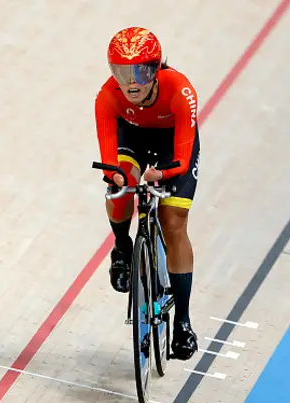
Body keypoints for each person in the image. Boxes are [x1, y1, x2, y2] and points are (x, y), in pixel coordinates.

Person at [94, 26, 200, 361]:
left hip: (173, 147)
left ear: (155, 70)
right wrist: (117, 176)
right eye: (122, 72)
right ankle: (123, 247)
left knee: (173, 222)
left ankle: (182, 323)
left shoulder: (180, 91)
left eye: (139, 71)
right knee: (121, 185)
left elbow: (182, 158)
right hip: (133, 139)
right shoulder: (107, 96)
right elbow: (110, 160)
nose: (131, 82)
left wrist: (164, 174)